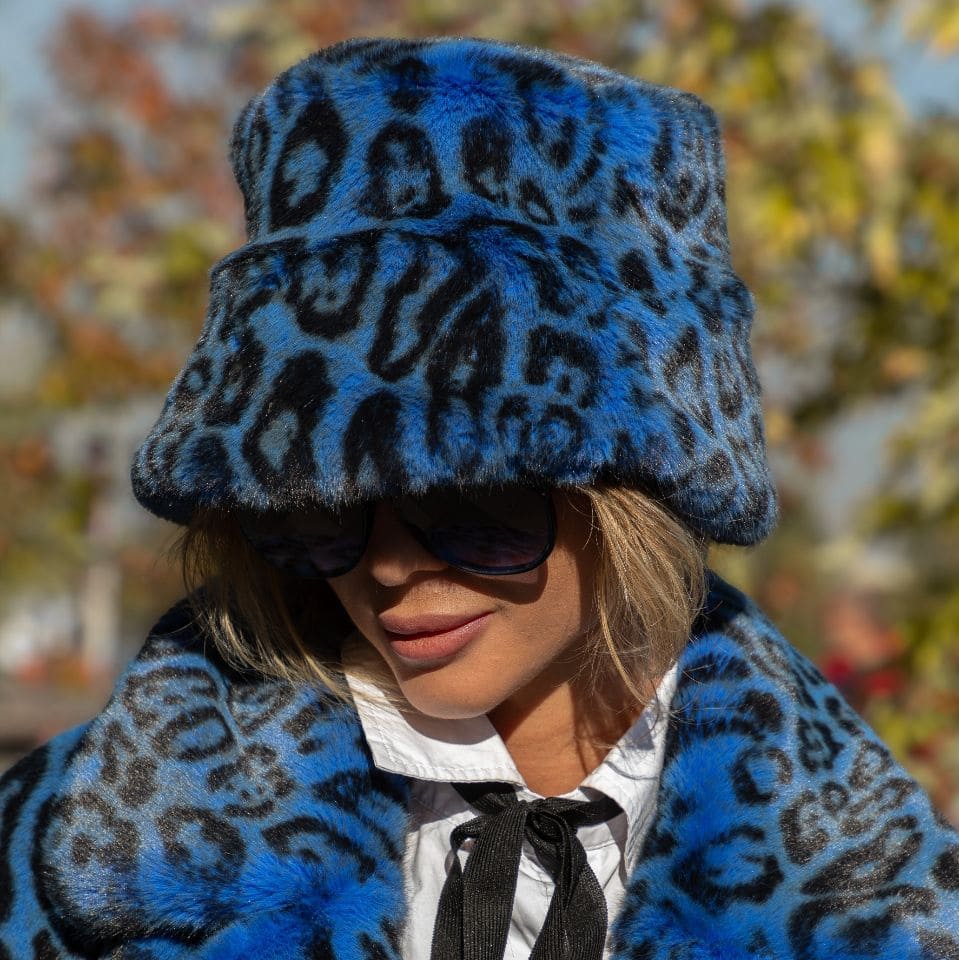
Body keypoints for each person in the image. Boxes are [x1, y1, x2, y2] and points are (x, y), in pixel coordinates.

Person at [1, 35, 957, 960]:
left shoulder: (886, 909)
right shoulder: (56, 854)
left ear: (631, 494)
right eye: (316, 511)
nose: (385, 567)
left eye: (468, 505)